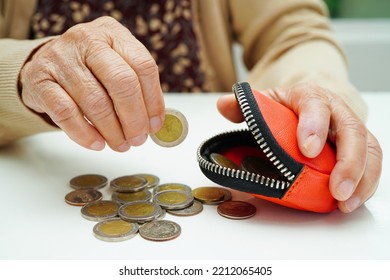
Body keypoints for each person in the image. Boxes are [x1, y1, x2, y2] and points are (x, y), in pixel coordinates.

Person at [0, 0, 382, 213]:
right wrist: (22, 71)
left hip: (204, 151)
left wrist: (317, 93)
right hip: (29, 165)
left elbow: (294, 30)